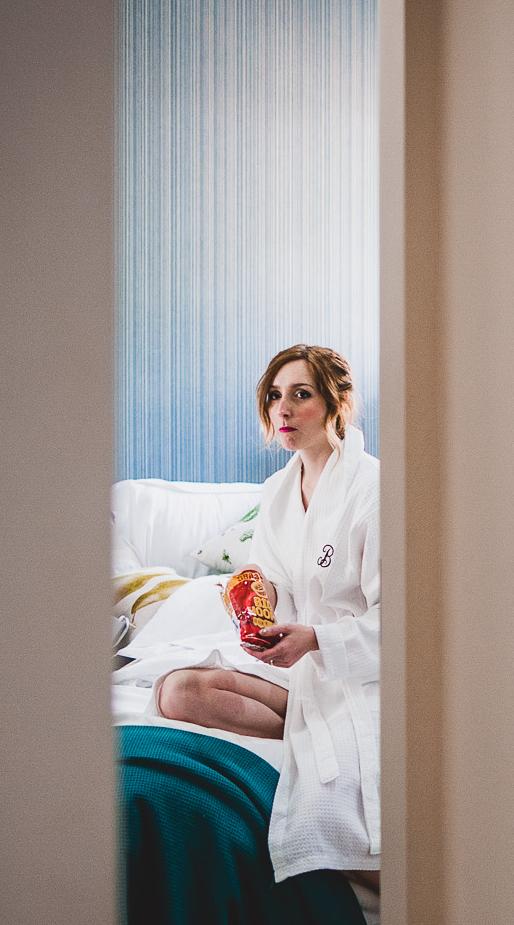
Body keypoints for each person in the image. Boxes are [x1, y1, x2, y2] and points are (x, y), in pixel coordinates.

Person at [154, 343, 381, 891]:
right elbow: (275, 578)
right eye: (275, 396)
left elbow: (404, 619)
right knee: (176, 691)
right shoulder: (278, 490)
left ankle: (401, 895)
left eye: (301, 395)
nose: (283, 409)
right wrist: (257, 600)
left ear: (335, 403)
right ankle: (305, 725)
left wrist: (318, 639)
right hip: (296, 665)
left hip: (356, 669)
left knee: (326, 803)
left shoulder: (376, 489)